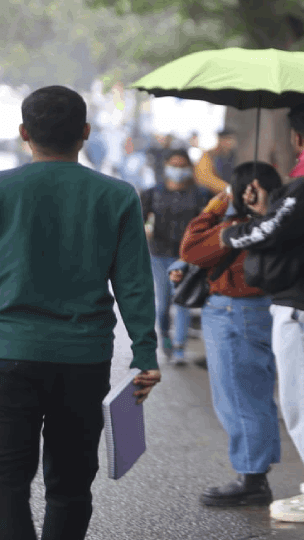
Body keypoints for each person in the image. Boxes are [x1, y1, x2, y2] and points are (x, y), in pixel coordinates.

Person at [0, 85, 161, 540]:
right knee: (70, 484)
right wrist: (145, 352)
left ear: (23, 133)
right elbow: (133, 284)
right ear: (86, 133)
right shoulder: (117, 195)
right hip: (82, 360)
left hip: (7, 355)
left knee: (6, 481)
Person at [219, 101, 304, 523]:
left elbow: (275, 230)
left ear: (298, 137)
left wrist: (232, 233)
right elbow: (293, 225)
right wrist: (270, 207)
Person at [178, 162, 284, 507]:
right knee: (255, 395)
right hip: (262, 309)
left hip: (234, 313)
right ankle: (256, 473)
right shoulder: (281, 221)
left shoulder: (239, 227)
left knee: (239, 397)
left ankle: (252, 480)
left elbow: (191, 247)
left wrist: (217, 204)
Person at [140, 149, 213, 364]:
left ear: (189, 168)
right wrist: (146, 228)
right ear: (166, 167)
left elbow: (209, 221)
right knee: (163, 305)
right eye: (174, 164)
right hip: (159, 255)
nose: (178, 169)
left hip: (187, 256)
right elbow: (139, 220)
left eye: (183, 165)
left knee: (182, 300)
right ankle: (166, 338)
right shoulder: (153, 193)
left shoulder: (200, 194)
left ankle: (179, 348)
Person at [194, 128, 238, 194]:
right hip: (211, 194)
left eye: (232, 139)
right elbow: (206, 178)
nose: (231, 142)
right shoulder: (209, 155)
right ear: (220, 140)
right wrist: (228, 188)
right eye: (228, 138)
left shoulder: (232, 156)